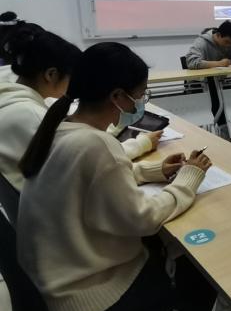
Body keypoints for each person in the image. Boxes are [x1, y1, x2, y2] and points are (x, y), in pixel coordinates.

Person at [17, 42, 216, 311]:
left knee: (166, 251)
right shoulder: (96, 144)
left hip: (47, 290)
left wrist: (155, 171)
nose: (141, 103)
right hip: (82, 298)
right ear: (118, 97)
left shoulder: (61, 128)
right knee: (198, 271)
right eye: (140, 95)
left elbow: (92, 181)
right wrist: (189, 179)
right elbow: (144, 219)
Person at [0, 28, 162, 192]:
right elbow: (91, 161)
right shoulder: (31, 115)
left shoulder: (11, 95)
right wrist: (141, 144)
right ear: (51, 74)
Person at [185, 21, 231, 134]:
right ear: (218, 35)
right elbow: (191, 62)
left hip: (221, 79)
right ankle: (223, 126)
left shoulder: (230, 42)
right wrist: (219, 64)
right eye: (226, 42)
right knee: (216, 92)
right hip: (201, 82)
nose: (228, 46)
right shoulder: (201, 42)